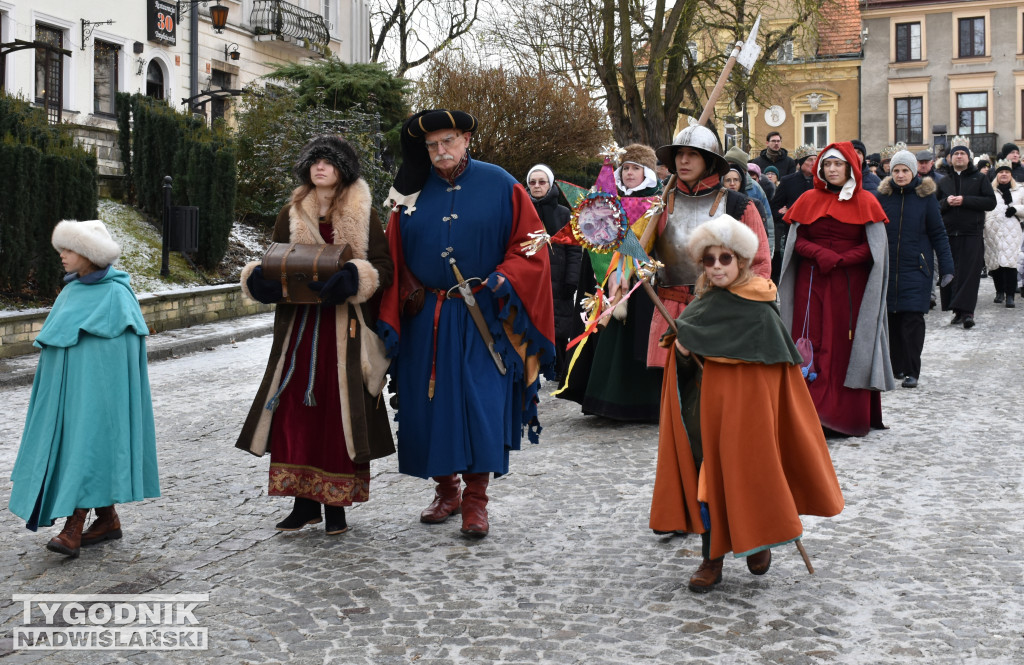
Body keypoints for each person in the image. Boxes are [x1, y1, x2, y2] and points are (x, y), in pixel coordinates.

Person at [378, 109, 555, 538]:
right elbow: (392, 256)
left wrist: (505, 278)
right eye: (433, 145)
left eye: (448, 141)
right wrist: (401, 296)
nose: (440, 151)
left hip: (484, 319)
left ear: (466, 140)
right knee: (428, 405)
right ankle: (447, 491)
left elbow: (532, 246)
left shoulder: (502, 185)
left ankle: (477, 501)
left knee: (482, 406)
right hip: (427, 319)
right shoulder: (409, 192)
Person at [649, 214, 844, 593]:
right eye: (709, 260)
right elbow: (684, 364)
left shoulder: (759, 301)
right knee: (709, 482)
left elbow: (774, 367)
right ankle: (712, 558)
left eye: (726, 259)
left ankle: (759, 539)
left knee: (753, 475)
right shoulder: (702, 304)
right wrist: (685, 351)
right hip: (705, 412)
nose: (717, 267)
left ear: (741, 260)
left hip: (750, 415)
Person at [237, 135, 395, 536]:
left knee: (336, 413)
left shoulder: (365, 212)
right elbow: (273, 257)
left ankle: (336, 507)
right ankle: (303, 503)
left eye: (327, 161)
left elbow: (382, 265)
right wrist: (259, 280)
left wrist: (354, 278)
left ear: (343, 170)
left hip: (344, 331)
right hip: (299, 330)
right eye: (314, 161)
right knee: (296, 411)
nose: (319, 167)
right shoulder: (290, 212)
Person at [9, 220, 160, 558]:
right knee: (74, 443)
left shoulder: (117, 295)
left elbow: (119, 362)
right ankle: (107, 519)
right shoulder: (72, 291)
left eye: (70, 249)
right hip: (68, 395)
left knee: (89, 443)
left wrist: (101, 399)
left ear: (89, 255)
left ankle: (73, 526)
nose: (62, 256)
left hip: (101, 399)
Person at [778, 141, 895, 437]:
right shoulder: (806, 198)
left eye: (837, 164)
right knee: (811, 338)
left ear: (849, 168)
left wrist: (842, 259)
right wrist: (820, 254)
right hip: (811, 281)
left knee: (844, 342)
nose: (831, 169)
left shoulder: (867, 200)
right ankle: (810, 415)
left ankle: (843, 415)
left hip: (849, 284)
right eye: (827, 164)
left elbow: (874, 249)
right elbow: (796, 240)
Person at [644, 125, 771, 372]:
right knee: (673, 396)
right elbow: (639, 257)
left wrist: (741, 307)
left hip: (721, 312)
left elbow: (759, 264)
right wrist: (637, 266)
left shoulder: (738, 205)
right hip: (669, 312)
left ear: (709, 160)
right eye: (679, 154)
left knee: (718, 393)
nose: (684, 160)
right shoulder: (657, 207)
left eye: (693, 154)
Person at [558, 143, 664, 422]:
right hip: (604, 274)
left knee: (637, 337)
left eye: (635, 169)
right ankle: (602, 399)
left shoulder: (657, 200)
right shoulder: (606, 197)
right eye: (626, 168)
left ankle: (640, 403)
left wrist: (637, 263)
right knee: (604, 335)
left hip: (640, 279)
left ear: (647, 173)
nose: (629, 173)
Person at [875, 150, 955, 388]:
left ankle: (912, 371)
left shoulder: (925, 197)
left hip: (916, 268)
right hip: (888, 268)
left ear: (913, 172)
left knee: (912, 319)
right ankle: (895, 366)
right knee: (891, 319)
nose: (900, 175)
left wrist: (947, 268)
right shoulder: (882, 197)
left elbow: (938, 233)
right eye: (896, 170)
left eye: (905, 171)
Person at [526, 163, 581, 380]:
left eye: (542, 182)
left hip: (559, 279)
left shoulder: (563, 213)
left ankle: (559, 368)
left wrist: (572, 280)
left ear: (550, 184)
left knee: (560, 325)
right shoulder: (522, 211)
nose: (537, 186)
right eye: (532, 182)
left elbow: (574, 249)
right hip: (532, 280)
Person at [937, 140, 997, 328]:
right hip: (949, 234)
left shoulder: (979, 178)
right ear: (950, 158)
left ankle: (968, 312)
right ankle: (956, 311)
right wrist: (947, 202)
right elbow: (934, 206)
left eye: (963, 153)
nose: (959, 156)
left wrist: (965, 200)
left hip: (971, 233)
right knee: (951, 273)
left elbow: (990, 202)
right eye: (956, 154)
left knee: (970, 274)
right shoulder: (944, 181)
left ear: (968, 158)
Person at [770, 145, 818, 281]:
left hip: (816, 233)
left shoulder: (821, 181)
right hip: (792, 233)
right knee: (793, 273)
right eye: (809, 160)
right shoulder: (788, 181)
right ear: (801, 162)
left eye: (816, 159)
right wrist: (785, 215)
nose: (813, 163)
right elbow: (774, 208)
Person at [983, 159, 1024, 308]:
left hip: (1011, 229)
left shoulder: (1020, 189)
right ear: (997, 175)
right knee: (995, 263)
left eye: (1007, 172)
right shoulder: (989, 190)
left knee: (1010, 263)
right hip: (992, 229)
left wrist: (1016, 209)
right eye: (1001, 172)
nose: (1004, 174)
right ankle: (999, 292)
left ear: (1011, 174)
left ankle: (1010, 296)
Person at [725, 145, 775, 254]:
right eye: (728, 165)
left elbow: (767, 220)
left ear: (743, 169)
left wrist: (769, 251)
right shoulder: (719, 188)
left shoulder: (755, 188)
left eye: (734, 165)